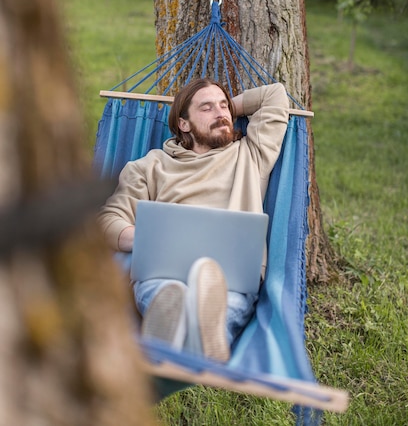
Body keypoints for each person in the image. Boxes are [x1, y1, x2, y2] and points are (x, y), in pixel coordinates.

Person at [98, 78, 289, 362]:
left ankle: (198, 338)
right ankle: (183, 332)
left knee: (226, 299)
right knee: (165, 291)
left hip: (227, 277)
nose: (221, 113)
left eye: (224, 106)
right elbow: (109, 220)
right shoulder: (150, 166)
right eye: (207, 108)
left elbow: (275, 95)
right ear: (183, 123)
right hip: (165, 271)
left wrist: (228, 107)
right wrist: (145, 238)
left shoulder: (251, 155)